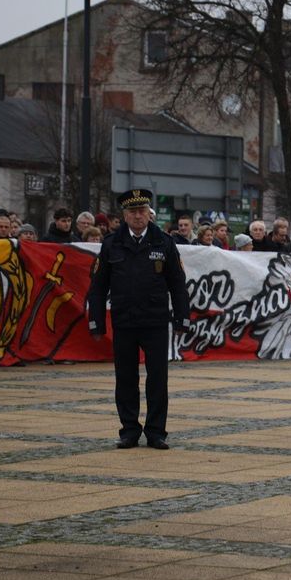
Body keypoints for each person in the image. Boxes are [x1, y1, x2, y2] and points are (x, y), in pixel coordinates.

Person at [86, 189, 190, 450]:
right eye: (133, 212)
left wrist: (182, 319)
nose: (138, 216)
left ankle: (156, 432)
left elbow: (178, 284)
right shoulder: (112, 243)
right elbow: (97, 287)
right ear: (125, 215)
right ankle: (129, 430)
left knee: (157, 379)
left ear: (149, 213)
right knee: (125, 378)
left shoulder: (163, 242)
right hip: (124, 321)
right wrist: (96, 322)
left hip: (155, 321)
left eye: (142, 211)